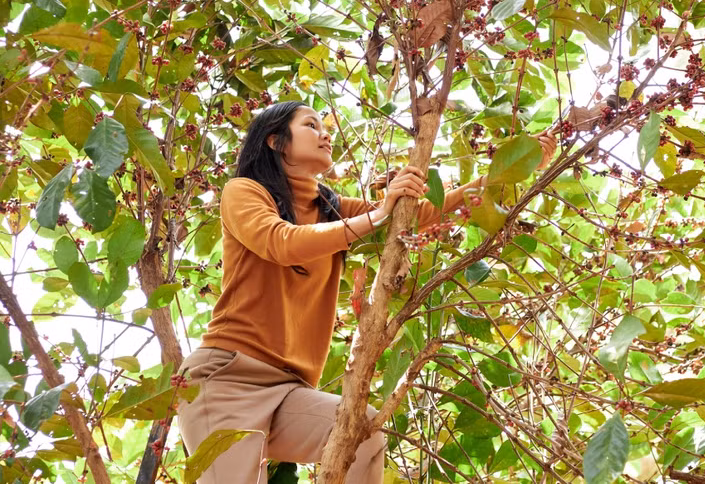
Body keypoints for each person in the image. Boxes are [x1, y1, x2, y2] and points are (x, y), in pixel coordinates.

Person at [176, 101, 556, 483]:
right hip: (226, 380)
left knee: (364, 433)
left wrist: (513, 170)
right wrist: (379, 213)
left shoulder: (331, 209)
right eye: (311, 125)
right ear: (276, 141)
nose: (326, 134)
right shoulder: (243, 191)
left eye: (324, 126)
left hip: (289, 387)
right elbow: (281, 242)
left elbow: (424, 216)